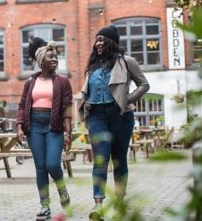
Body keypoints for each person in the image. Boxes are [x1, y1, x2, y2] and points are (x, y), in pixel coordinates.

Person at [79, 25, 150, 220]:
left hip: (120, 115)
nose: (98, 43)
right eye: (97, 40)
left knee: (119, 160)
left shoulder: (127, 62)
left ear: (111, 42)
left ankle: (119, 201)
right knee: (100, 160)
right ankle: (98, 205)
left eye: (102, 40)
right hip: (96, 116)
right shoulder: (93, 65)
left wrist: (129, 98)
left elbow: (144, 84)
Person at [16, 37, 73, 220]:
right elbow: (22, 104)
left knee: (52, 164)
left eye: (56, 56)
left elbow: (66, 108)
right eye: (51, 57)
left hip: (53, 126)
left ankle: (61, 187)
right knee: (40, 168)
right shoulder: (30, 82)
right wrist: (19, 127)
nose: (55, 59)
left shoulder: (63, 82)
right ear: (42, 60)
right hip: (34, 126)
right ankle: (45, 206)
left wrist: (68, 133)